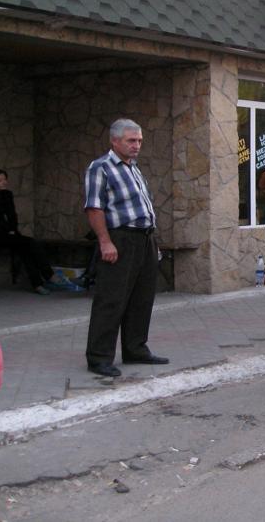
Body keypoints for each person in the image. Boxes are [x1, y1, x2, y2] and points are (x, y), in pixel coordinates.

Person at [83, 119, 168, 378]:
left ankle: (135, 349)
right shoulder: (101, 167)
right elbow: (94, 207)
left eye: (139, 140)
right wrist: (105, 241)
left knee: (142, 297)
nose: (136, 145)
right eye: (131, 140)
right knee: (112, 298)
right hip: (120, 239)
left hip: (145, 239)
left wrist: (153, 242)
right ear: (115, 141)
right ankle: (99, 357)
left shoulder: (134, 168)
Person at [0, 169, 58, 295]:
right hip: (0, 234)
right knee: (31, 243)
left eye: (4, 179)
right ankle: (48, 275)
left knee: (26, 249)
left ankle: (38, 284)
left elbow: (12, 215)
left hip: (9, 234)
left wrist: (12, 230)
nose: (4, 182)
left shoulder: (7, 194)